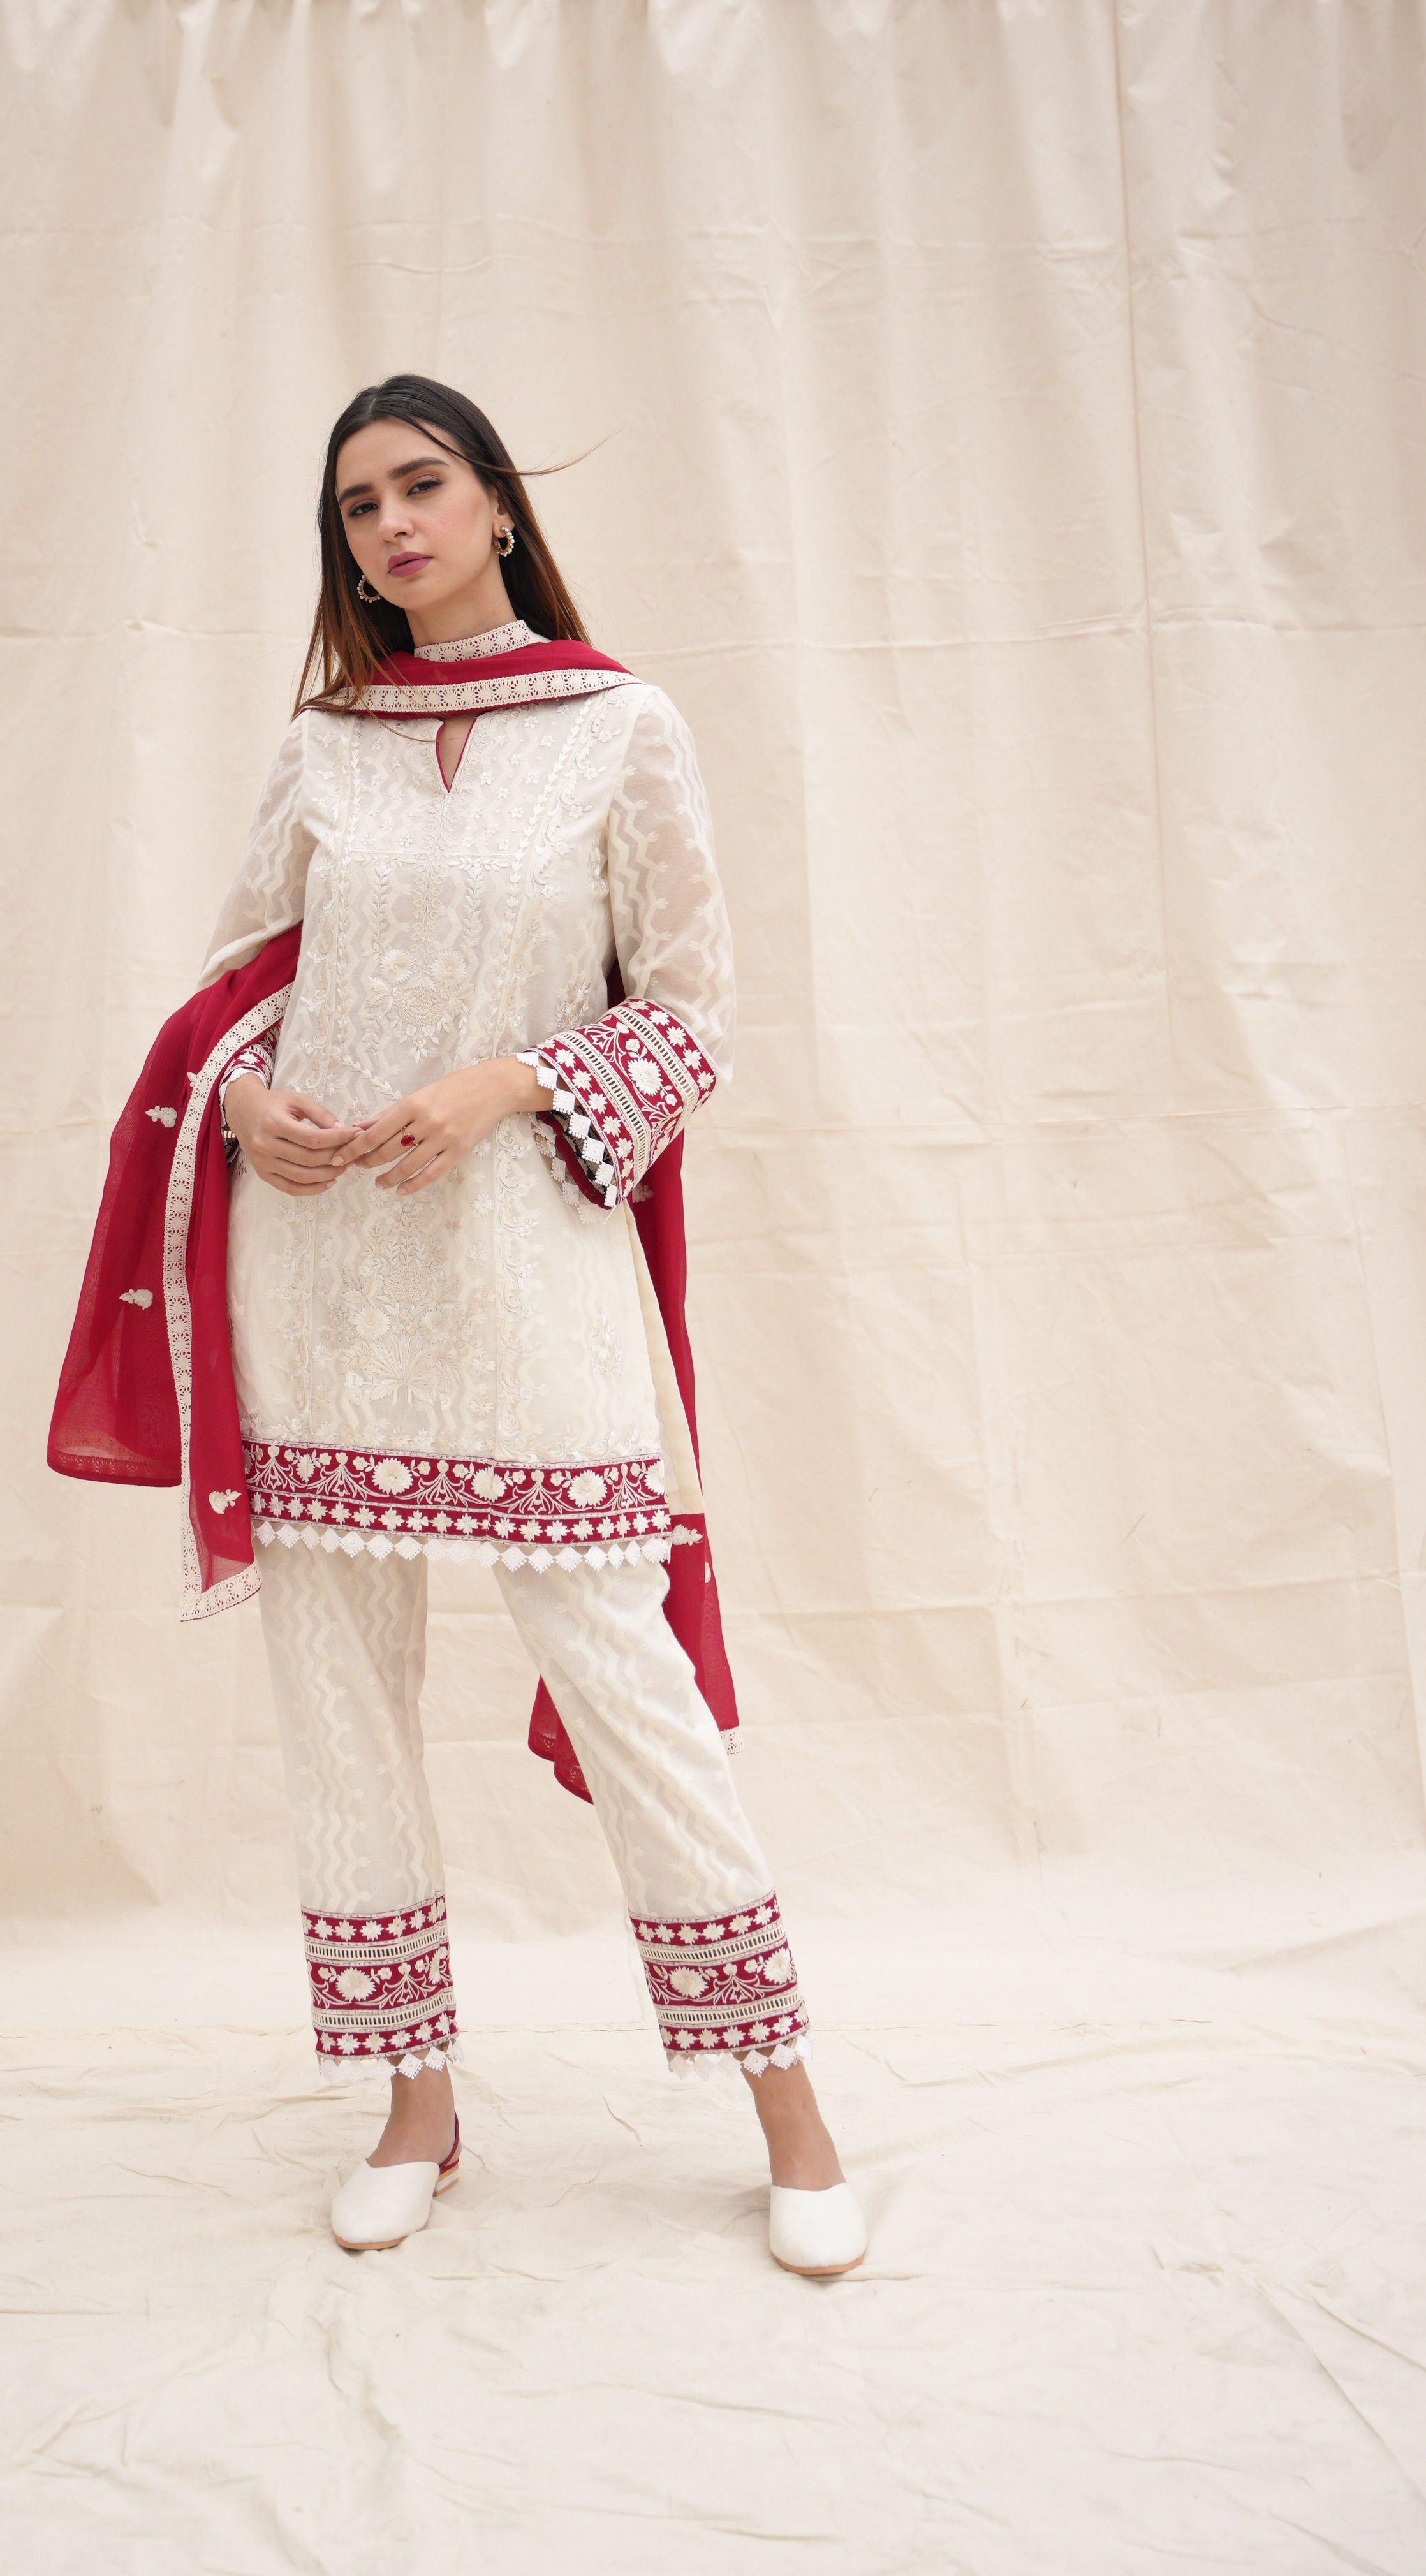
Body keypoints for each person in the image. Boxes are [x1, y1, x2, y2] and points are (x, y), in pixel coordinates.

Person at [133, 374, 863, 2275]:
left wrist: (513, 1080)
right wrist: (250, 1101)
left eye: (422, 486)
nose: (391, 525)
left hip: (526, 1264)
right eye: (358, 504)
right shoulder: (331, 744)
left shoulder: (619, 728)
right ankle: (416, 2102)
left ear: (500, 507)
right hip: (324, 1275)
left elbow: (694, 1011)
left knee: (627, 1674)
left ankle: (789, 2098)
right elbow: (229, 989)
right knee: (340, 1696)